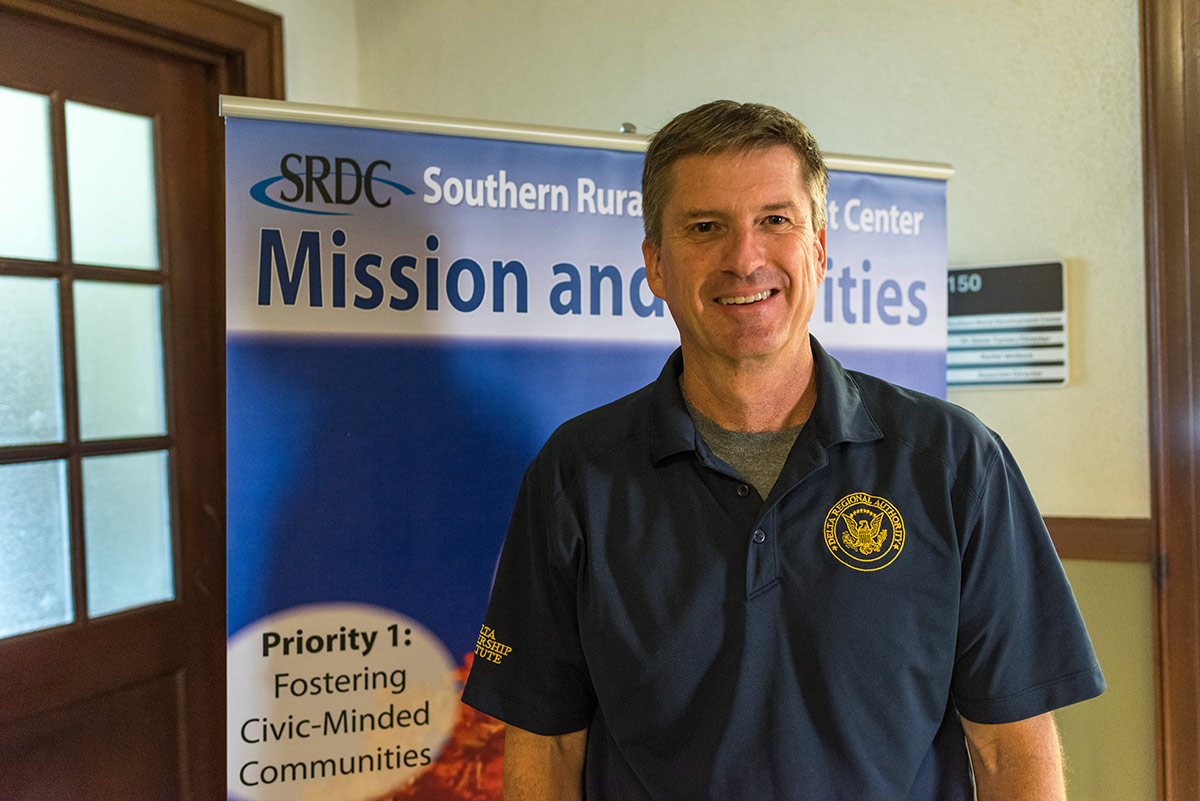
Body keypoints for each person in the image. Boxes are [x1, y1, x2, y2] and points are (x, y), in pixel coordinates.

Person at [461, 100, 1104, 800]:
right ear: (655, 265)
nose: (744, 258)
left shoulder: (954, 463)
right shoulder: (576, 474)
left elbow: (1012, 744)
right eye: (705, 228)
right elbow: (548, 745)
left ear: (819, 250)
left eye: (775, 220)